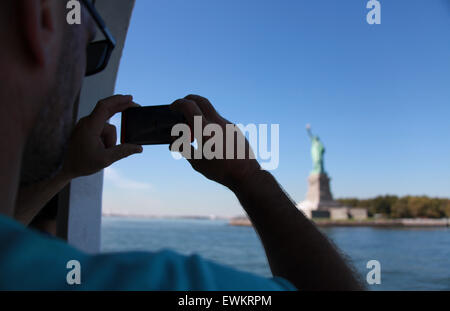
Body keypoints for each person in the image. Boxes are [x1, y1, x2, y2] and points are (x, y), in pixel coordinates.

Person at [0, 0, 363, 290]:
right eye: (94, 50)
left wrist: (67, 172)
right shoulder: (166, 283)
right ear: (43, 15)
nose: (85, 70)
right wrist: (248, 176)